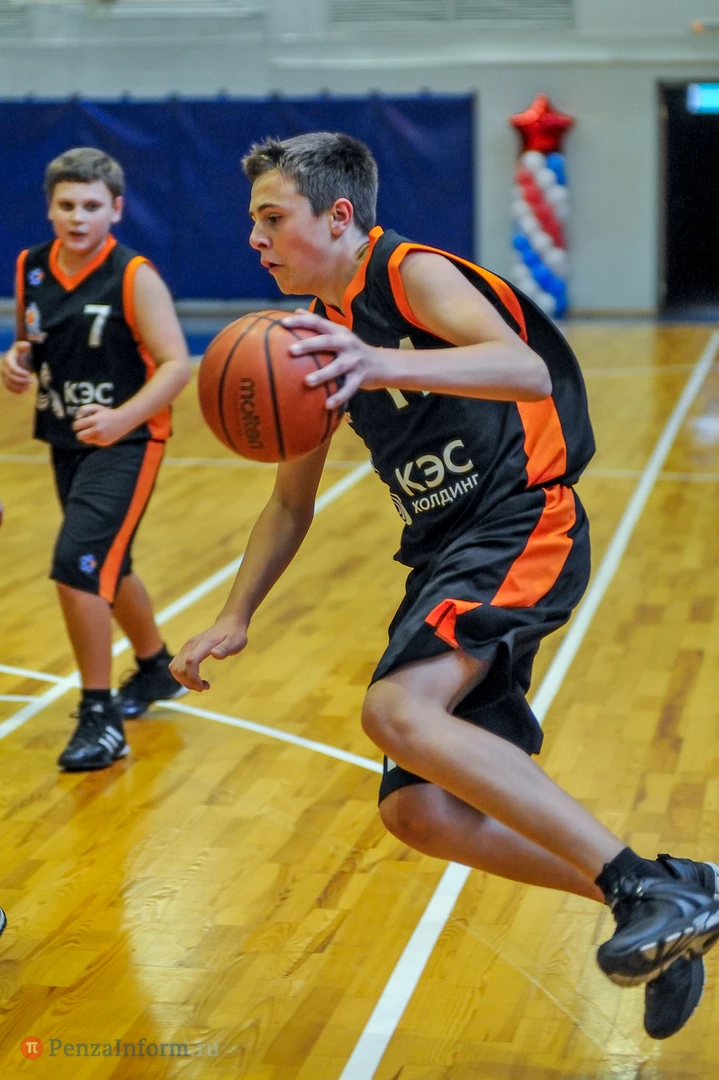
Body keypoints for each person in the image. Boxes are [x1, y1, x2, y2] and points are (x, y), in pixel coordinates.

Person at [170, 132, 719, 1038]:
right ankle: (667, 893)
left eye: (271, 217)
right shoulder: (308, 337)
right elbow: (289, 502)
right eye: (252, 221)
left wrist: (381, 361)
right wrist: (234, 614)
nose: (255, 238)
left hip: (519, 518)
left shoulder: (409, 274)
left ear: (337, 216)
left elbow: (524, 369)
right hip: (443, 553)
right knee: (419, 812)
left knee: (395, 711)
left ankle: (643, 890)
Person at [1, 147, 190, 771]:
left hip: (127, 441)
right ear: (50, 209)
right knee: (110, 560)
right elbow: (32, 342)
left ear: (116, 209)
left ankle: (100, 716)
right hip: (64, 437)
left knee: (76, 565)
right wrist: (16, 361)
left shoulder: (134, 276)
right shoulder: (30, 266)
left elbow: (175, 366)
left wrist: (122, 419)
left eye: (91, 205)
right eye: (66, 205)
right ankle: (156, 667)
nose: (78, 217)